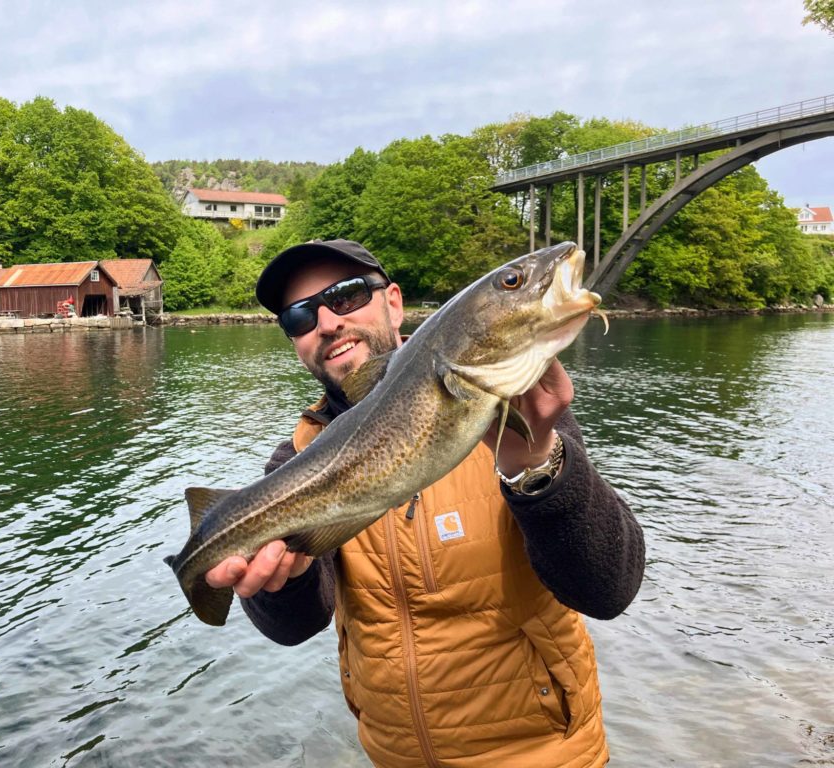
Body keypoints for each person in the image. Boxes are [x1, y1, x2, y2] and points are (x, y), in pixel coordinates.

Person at [205, 239, 645, 767]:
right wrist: (282, 581)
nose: (325, 323)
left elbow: (608, 590)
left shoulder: (523, 414)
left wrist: (537, 468)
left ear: (393, 301)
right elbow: (296, 627)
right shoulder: (298, 458)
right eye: (298, 316)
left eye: (344, 296)